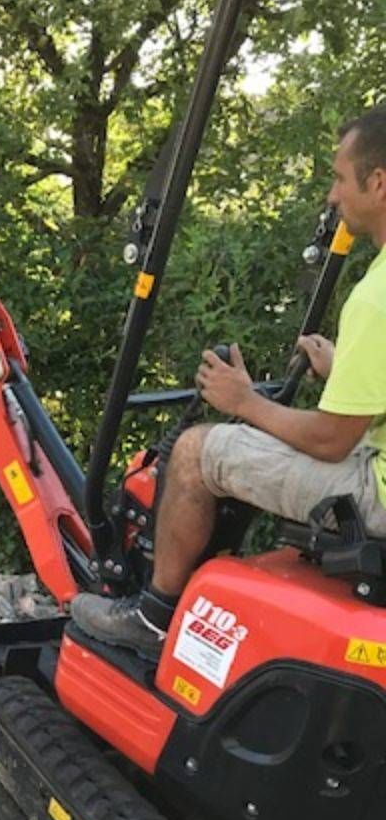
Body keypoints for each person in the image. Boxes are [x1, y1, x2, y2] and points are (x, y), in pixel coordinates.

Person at [71, 104, 386, 660]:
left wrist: (241, 400)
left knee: (195, 452)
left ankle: (154, 616)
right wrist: (343, 368)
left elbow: (331, 440)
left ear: (378, 183)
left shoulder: (375, 297)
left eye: (339, 179)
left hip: (377, 490)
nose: (333, 196)